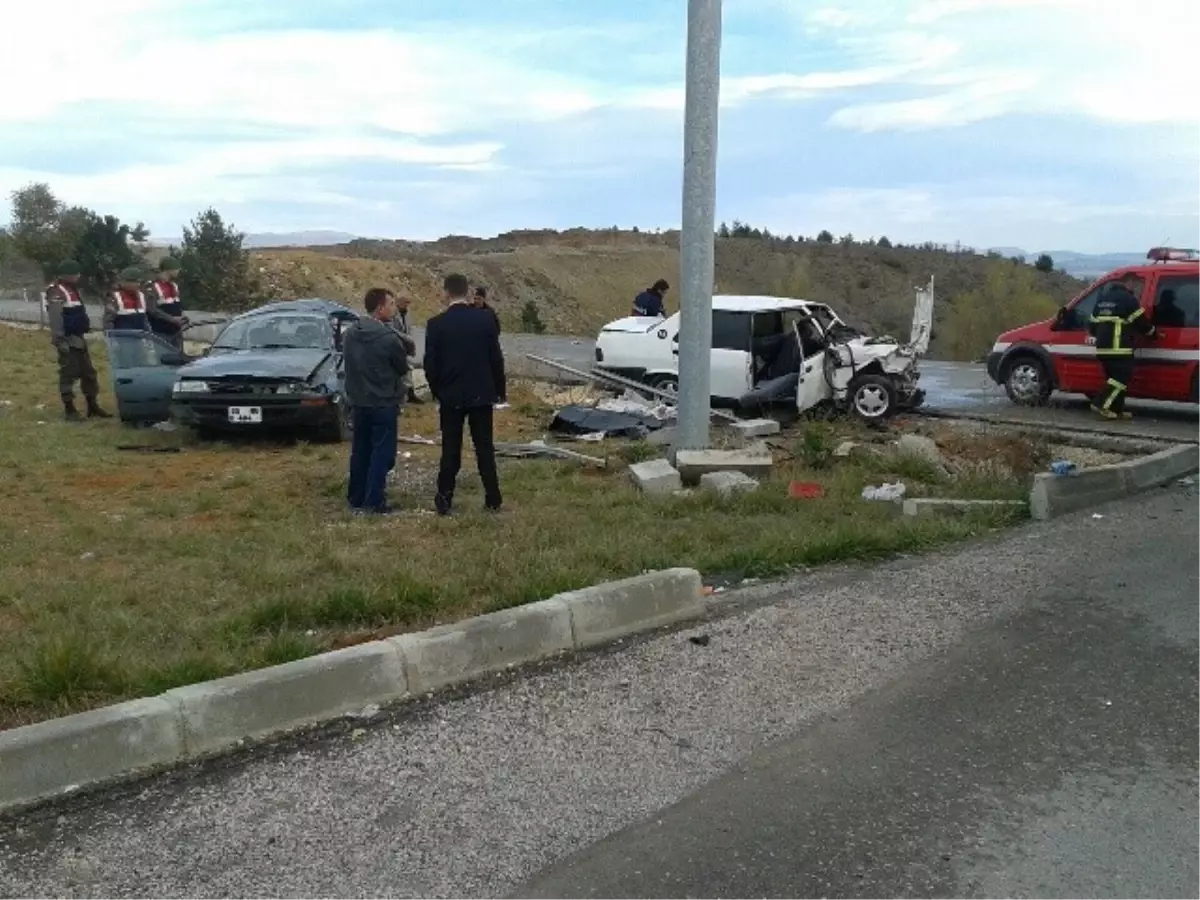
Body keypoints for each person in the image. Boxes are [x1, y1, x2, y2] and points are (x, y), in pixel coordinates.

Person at [424, 273, 506, 515]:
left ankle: (444, 497)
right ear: (467, 292)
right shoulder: (484, 320)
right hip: (482, 394)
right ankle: (493, 497)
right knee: (484, 447)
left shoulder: (436, 324)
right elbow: (495, 359)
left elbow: (430, 364)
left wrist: (438, 390)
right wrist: (500, 391)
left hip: (450, 396)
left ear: (446, 292)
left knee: (451, 448)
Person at [343, 287, 410, 515]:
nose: (393, 308)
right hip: (383, 403)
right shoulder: (388, 338)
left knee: (360, 451)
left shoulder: (351, 334)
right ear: (380, 307)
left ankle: (355, 498)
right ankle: (374, 501)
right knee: (382, 452)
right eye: (391, 304)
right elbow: (402, 367)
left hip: (359, 401)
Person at [44, 260, 110, 422]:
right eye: (76, 274)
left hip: (78, 337)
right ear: (68, 275)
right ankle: (70, 409)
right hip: (67, 339)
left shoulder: (72, 289)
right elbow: (56, 317)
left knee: (88, 373)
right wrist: (59, 340)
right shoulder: (56, 291)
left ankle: (92, 405)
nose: (79, 276)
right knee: (68, 373)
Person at [1088, 274, 1158, 420]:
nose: (1136, 287)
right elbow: (1141, 322)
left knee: (1113, 379)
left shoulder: (1102, 299)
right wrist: (1154, 333)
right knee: (1121, 378)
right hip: (1120, 347)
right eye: (1135, 283)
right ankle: (1100, 403)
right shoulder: (1128, 299)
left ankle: (1117, 411)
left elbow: (1092, 326)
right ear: (1128, 282)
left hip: (1102, 347)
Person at [145, 256, 189, 350]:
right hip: (161, 332)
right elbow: (151, 309)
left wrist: (182, 318)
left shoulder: (174, 285)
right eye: (177, 269)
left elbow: (177, 306)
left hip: (176, 332)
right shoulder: (152, 286)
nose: (178, 272)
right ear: (169, 270)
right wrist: (172, 319)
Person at [388, 291, 423, 405]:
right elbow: (392, 330)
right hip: (395, 346)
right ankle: (399, 396)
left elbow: (409, 329)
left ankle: (409, 393)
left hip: (404, 346)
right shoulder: (392, 314)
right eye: (405, 302)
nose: (407, 305)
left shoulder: (407, 314)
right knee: (398, 371)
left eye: (408, 302)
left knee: (407, 370)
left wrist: (410, 344)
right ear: (399, 301)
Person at [103, 267, 150, 332]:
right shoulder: (114, 297)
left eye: (138, 281)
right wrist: (112, 338)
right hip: (122, 339)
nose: (137, 284)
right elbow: (108, 322)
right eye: (134, 281)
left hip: (140, 338)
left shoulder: (142, 296)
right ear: (123, 282)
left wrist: (148, 333)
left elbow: (145, 320)